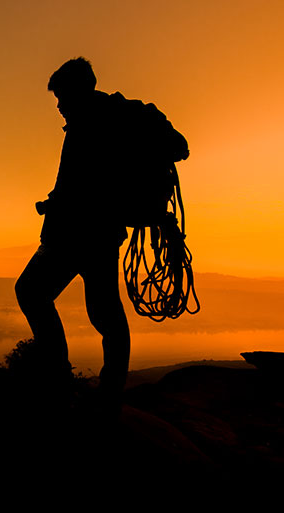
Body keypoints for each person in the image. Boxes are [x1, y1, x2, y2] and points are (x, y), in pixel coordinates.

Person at [15, 57, 186, 414]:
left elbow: (84, 184)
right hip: (102, 235)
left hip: (75, 234)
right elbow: (178, 147)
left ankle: (60, 379)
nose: (59, 105)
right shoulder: (120, 115)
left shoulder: (92, 123)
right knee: (105, 313)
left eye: (61, 96)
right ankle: (109, 391)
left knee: (32, 291)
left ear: (77, 90)